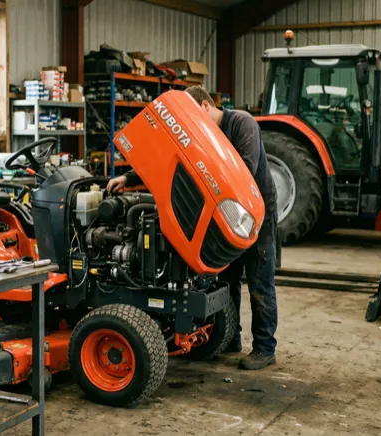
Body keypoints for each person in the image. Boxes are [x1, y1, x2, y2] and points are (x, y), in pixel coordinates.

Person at [107, 86, 279, 370]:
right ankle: (230, 338)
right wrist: (128, 177)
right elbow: (171, 158)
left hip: (252, 218)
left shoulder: (242, 123)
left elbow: (241, 170)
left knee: (260, 283)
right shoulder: (203, 134)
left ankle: (264, 348)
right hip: (221, 221)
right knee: (227, 281)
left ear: (204, 106)